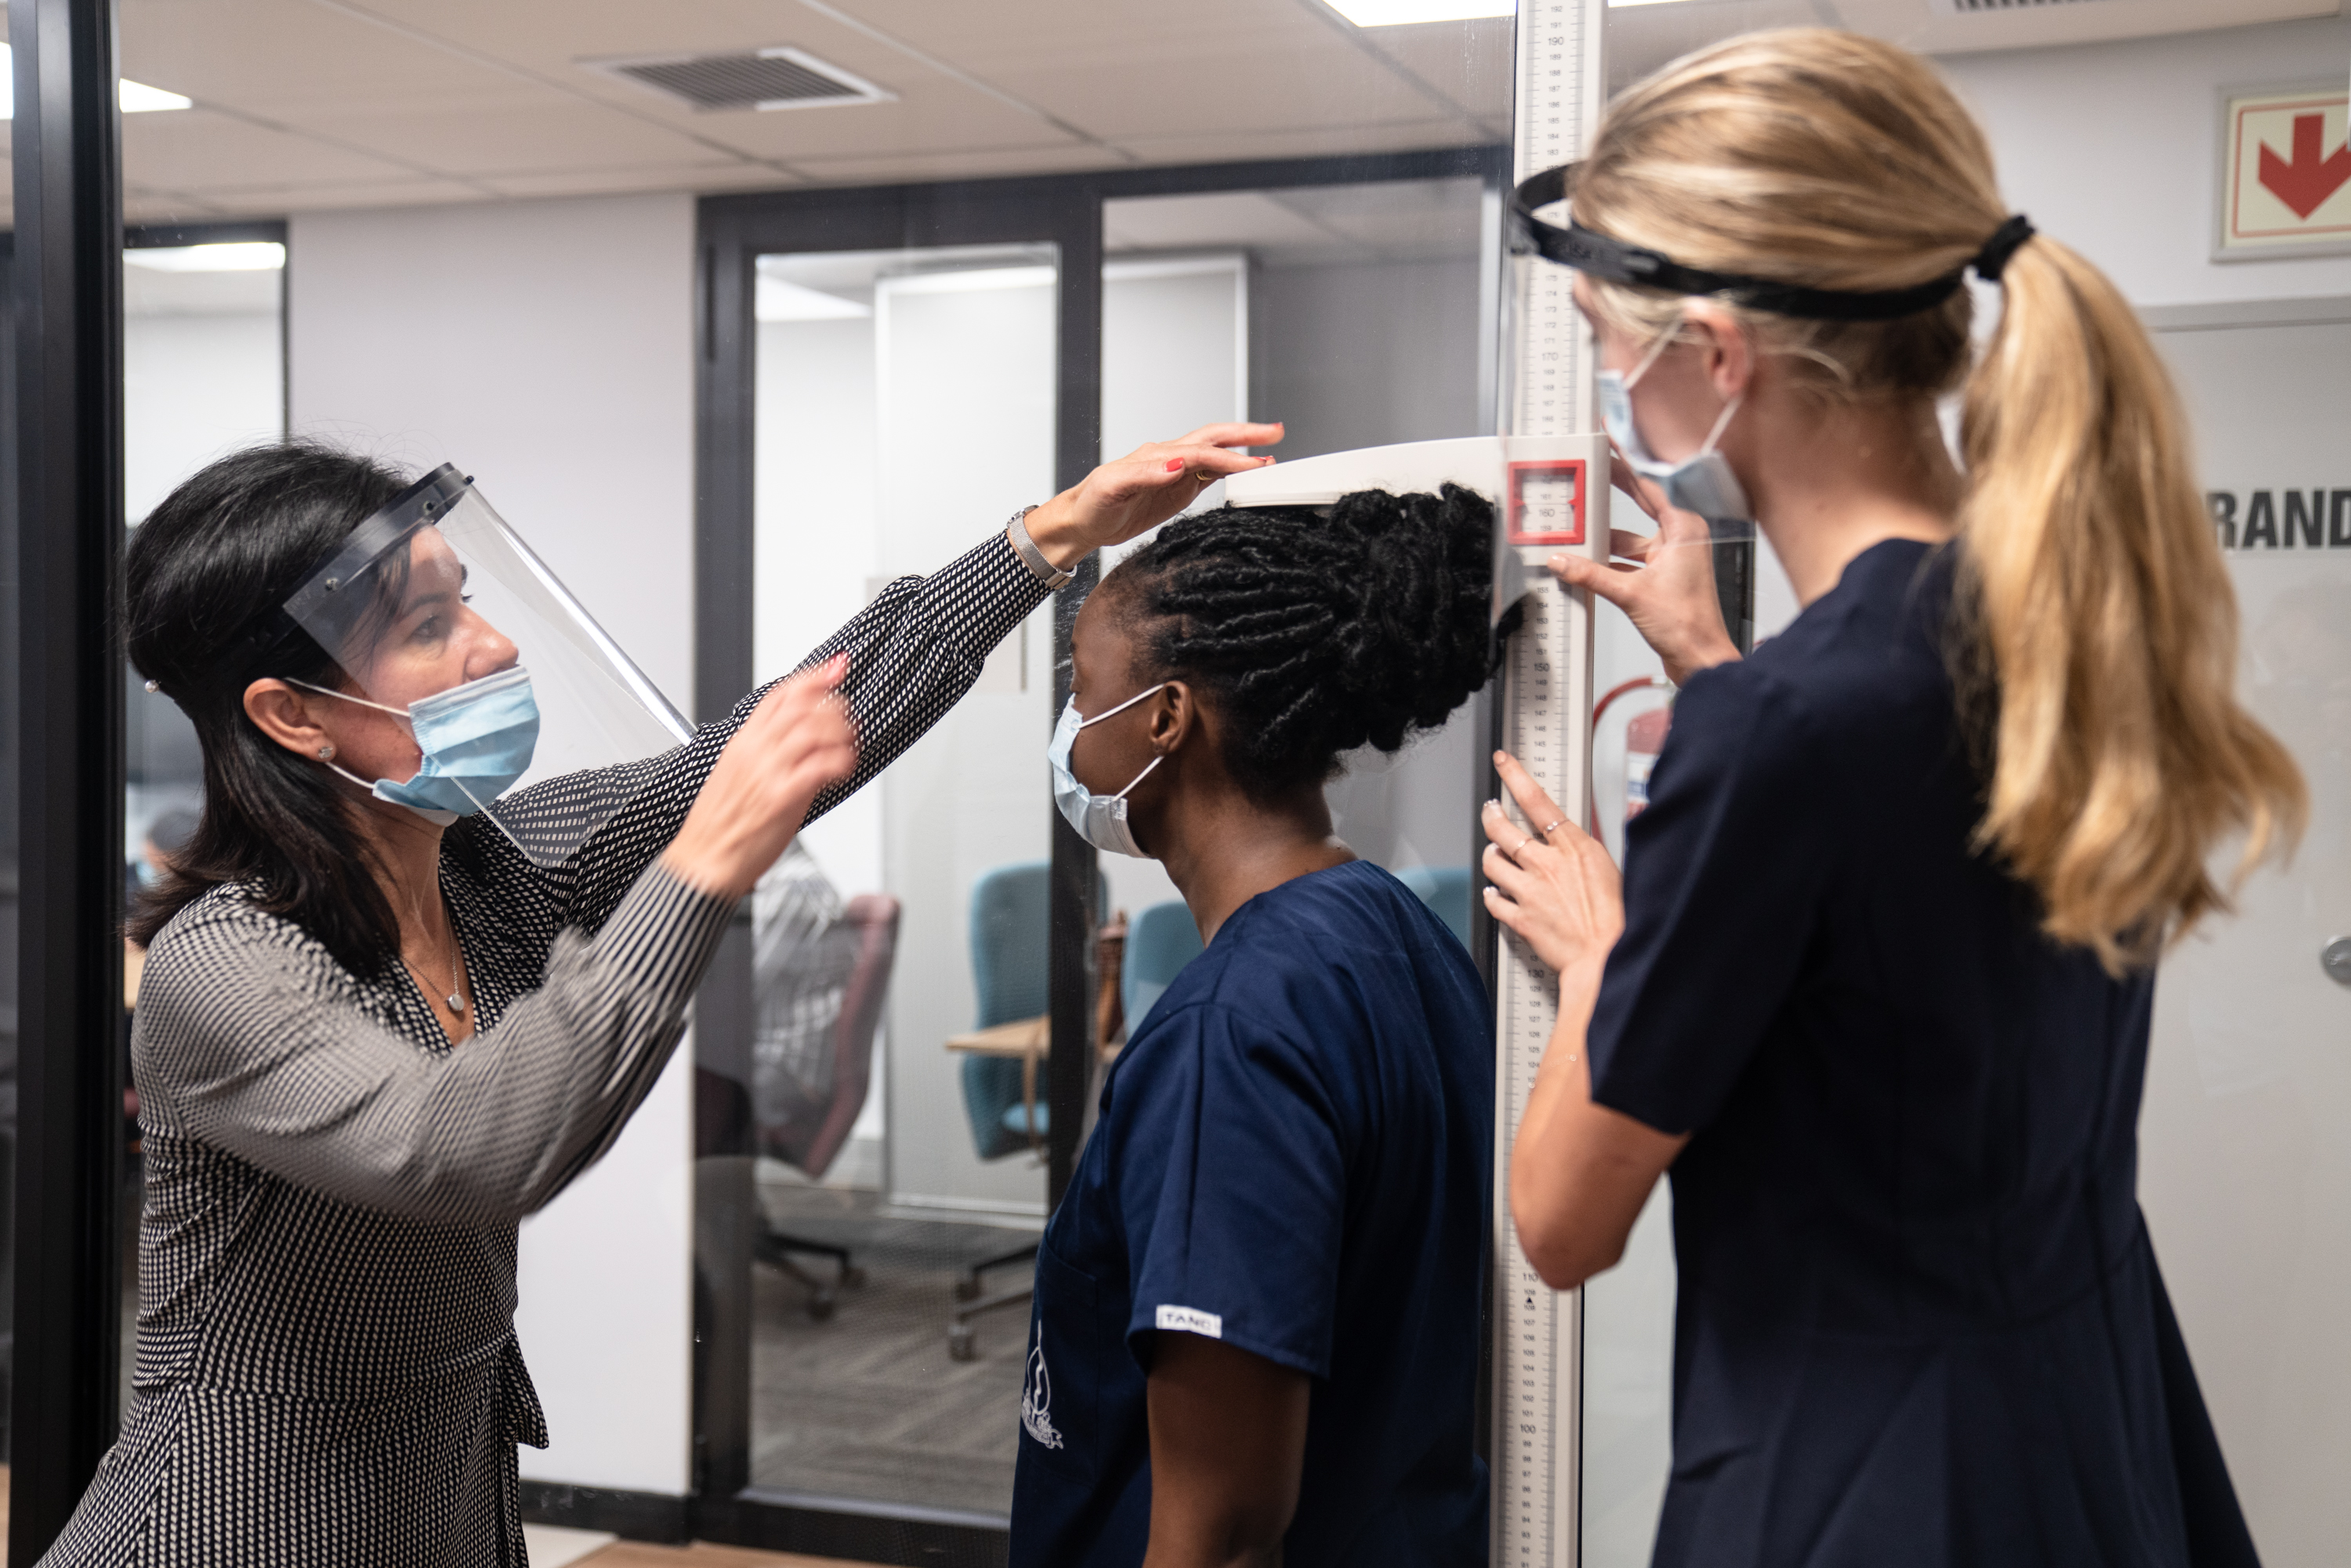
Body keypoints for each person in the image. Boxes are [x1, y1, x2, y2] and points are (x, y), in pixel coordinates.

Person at [47, 423, 1280, 1568]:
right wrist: (698, 866)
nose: (496, 646)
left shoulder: (499, 874)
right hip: (238, 1516)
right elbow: (465, 1145)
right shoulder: (227, 959)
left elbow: (784, 742)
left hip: (434, 1491)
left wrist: (1051, 535)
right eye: (430, 628)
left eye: (466, 600)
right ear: (291, 716)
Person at [1480, 30, 2304, 1568]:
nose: (1614, 386)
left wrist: (1607, 942)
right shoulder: (2064, 630)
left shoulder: (1783, 727)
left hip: (1867, 1490)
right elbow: (1908, 963)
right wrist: (1717, 660)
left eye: (1612, 337)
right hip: (2085, 1438)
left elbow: (1562, 1221)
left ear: (1721, 356)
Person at [1009, 488, 1495, 1568]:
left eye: (1085, 692)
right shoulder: (1398, 935)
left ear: (1167, 719)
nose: (1070, 733)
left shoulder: (1234, 1030)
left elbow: (1222, 1533)